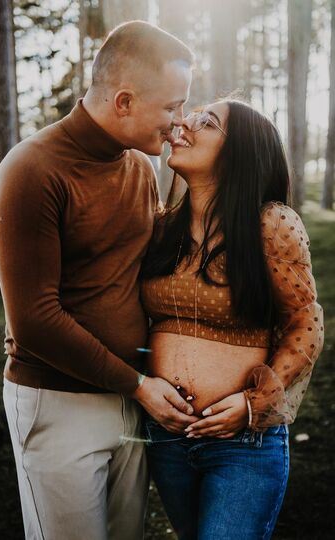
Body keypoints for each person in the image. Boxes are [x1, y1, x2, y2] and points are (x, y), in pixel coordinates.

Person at [0, 21, 197, 540]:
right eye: (171, 106)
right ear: (123, 101)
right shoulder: (32, 171)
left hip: (131, 398)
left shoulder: (141, 169)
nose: (179, 123)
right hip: (58, 401)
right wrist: (138, 385)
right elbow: (35, 321)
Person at [140, 98, 324, 540]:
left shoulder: (271, 224)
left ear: (240, 151)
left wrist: (251, 406)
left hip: (243, 445)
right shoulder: (162, 227)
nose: (184, 122)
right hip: (167, 437)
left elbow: (305, 324)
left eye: (207, 121)